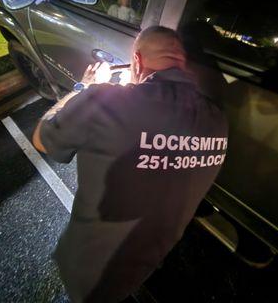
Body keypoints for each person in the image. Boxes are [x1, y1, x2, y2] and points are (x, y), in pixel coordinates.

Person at [32, 26, 228, 303]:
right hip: (148, 261)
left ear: (136, 60)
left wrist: (85, 87)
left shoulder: (106, 99)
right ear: (182, 62)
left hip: (90, 272)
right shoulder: (218, 120)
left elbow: (42, 139)